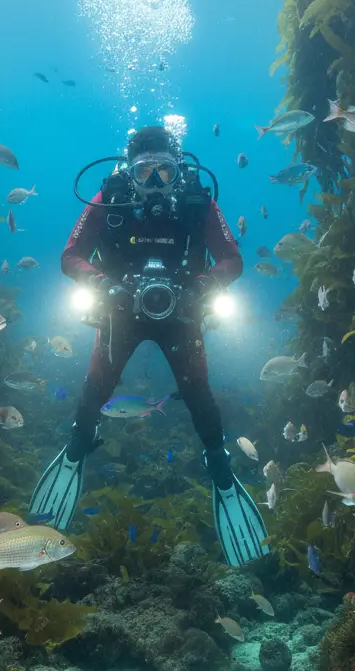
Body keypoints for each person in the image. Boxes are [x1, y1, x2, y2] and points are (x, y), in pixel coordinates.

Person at [29, 125, 268, 566]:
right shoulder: (109, 199)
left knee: (199, 393)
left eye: (164, 170)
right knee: (98, 386)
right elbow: (71, 255)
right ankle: (78, 446)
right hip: (122, 310)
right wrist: (104, 285)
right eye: (145, 172)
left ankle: (220, 466)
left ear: (179, 170)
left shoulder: (197, 202)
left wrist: (201, 286)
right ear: (129, 171)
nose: (155, 181)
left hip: (181, 312)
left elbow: (232, 258)